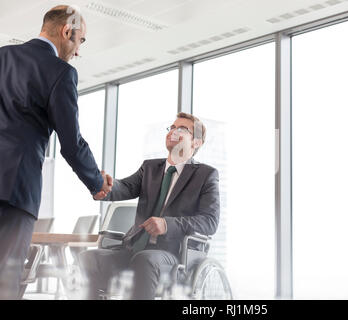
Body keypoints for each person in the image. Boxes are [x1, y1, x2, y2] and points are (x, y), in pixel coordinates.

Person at [0, 5, 113, 299]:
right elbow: (71, 143)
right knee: (4, 282)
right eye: (80, 41)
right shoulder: (60, 73)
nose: (77, 51)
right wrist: (96, 182)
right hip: (15, 188)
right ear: (67, 32)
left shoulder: (1, 56)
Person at [79, 112, 220, 299]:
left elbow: (210, 222)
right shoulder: (150, 168)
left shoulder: (205, 175)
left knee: (145, 260)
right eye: (172, 127)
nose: (173, 132)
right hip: (134, 247)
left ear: (196, 142)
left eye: (182, 129)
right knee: (90, 258)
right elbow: (125, 187)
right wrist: (103, 187)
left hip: (173, 254)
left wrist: (168, 224)